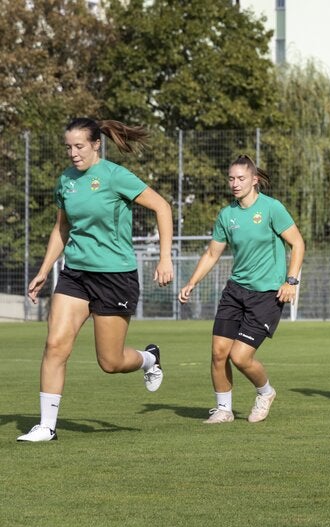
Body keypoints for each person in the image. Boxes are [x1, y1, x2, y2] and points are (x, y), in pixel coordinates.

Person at [18, 118, 173, 442]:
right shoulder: (66, 180)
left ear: (95, 144)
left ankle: (149, 358)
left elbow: (162, 207)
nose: (73, 153)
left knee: (111, 362)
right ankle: (47, 425)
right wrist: (45, 270)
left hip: (115, 277)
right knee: (55, 345)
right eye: (69, 147)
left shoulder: (115, 176)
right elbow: (62, 229)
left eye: (79, 146)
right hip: (75, 275)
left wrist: (164, 257)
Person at [177, 155, 305, 424]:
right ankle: (224, 409)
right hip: (236, 291)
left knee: (240, 356)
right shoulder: (227, 214)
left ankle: (265, 392)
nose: (235, 183)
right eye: (231, 178)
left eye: (241, 178)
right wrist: (191, 282)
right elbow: (212, 253)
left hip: (267, 295)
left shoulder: (272, 208)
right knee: (218, 353)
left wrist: (291, 281)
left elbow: (298, 243)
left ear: (254, 180)